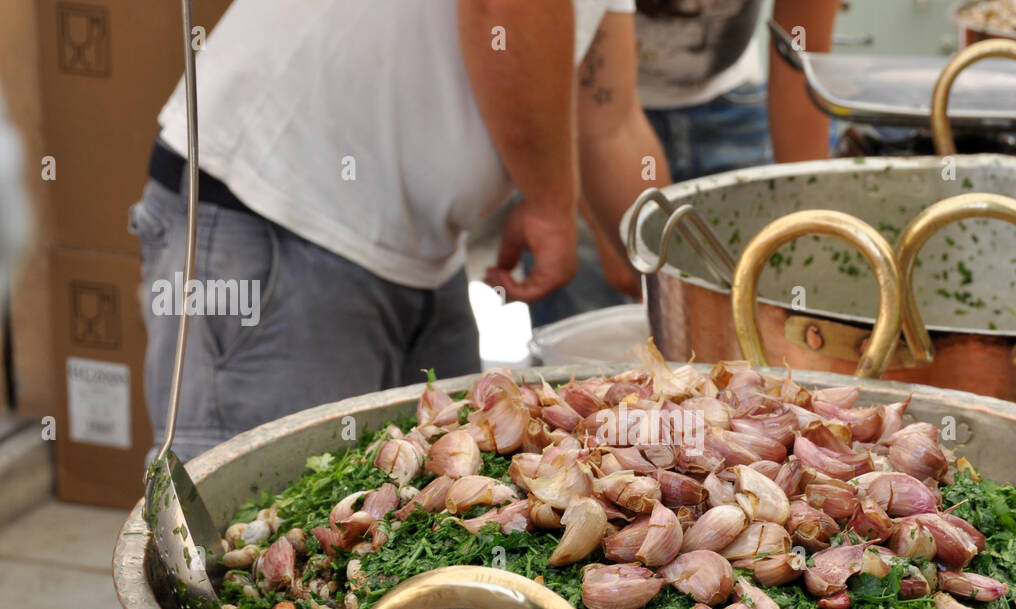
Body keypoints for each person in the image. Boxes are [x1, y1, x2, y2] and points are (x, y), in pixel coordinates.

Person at [131, 0, 667, 462]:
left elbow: (609, 121)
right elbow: (505, 9)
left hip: (421, 254)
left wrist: (671, 272)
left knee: (430, 528)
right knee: (254, 541)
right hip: (277, 222)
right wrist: (551, 200)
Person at [528, 0, 841, 327]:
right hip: (584, 108)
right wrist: (603, 219)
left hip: (730, 105)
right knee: (584, 310)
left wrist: (812, 231)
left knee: (755, 313)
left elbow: (800, 54)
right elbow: (601, 119)